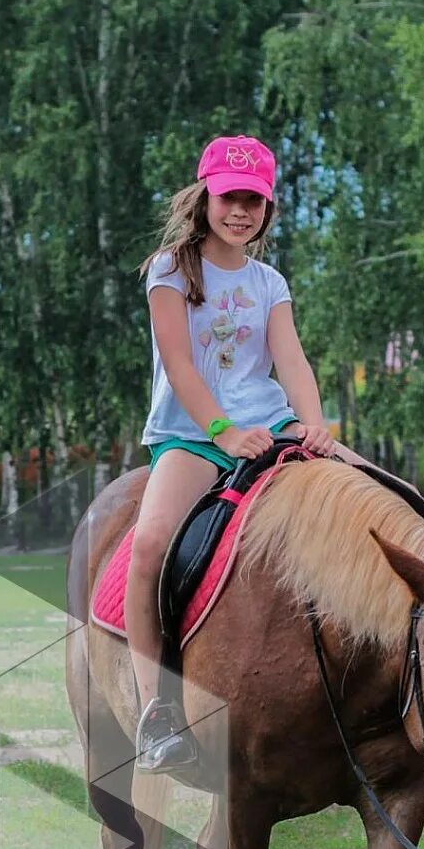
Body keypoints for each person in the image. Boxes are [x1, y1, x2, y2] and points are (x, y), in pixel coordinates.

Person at [126, 134, 340, 770]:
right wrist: (221, 431)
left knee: (373, 491)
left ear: (268, 208)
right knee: (150, 543)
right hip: (193, 435)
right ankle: (157, 711)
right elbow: (179, 363)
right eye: (230, 198)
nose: (241, 211)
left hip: (270, 424)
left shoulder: (268, 281)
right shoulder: (171, 269)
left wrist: (315, 424)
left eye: (254, 200)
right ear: (205, 197)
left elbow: (290, 358)